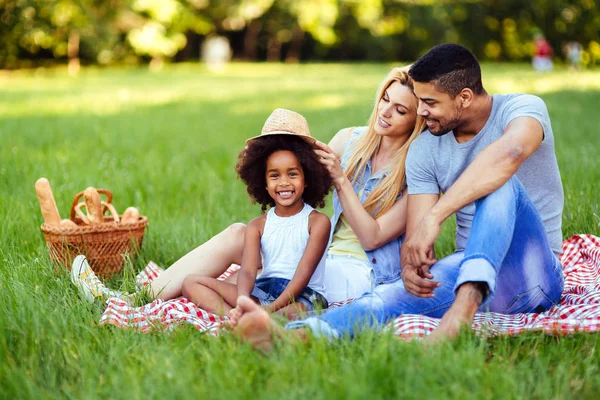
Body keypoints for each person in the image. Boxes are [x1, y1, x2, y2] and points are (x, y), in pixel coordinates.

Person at [231, 43, 565, 349]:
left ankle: (461, 313)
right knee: (386, 296)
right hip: (465, 268)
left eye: (430, 103)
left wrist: (437, 215)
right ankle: (293, 338)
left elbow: (509, 154)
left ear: (464, 97)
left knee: (500, 183)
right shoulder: (426, 148)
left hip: (535, 273)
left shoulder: (521, 108)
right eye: (419, 103)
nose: (422, 112)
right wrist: (410, 266)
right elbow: (416, 233)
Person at [71, 67, 426, 307]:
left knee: (260, 259)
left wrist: (343, 181)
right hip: (320, 251)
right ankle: (136, 296)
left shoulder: (416, 170)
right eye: (384, 100)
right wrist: (263, 155)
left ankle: (150, 300)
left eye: (400, 110)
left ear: (416, 120)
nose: (385, 112)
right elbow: (297, 173)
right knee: (240, 233)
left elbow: (372, 237)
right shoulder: (350, 139)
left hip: (358, 271)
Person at [181, 109, 332, 318]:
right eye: (274, 175)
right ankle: (237, 317)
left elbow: (302, 276)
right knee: (191, 282)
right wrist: (243, 301)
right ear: (264, 183)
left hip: (302, 296)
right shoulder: (257, 226)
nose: (284, 182)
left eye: (292, 174)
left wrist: (270, 308)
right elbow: (248, 272)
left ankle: (258, 318)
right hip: (263, 291)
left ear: (307, 179)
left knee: (293, 312)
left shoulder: (317, 222)